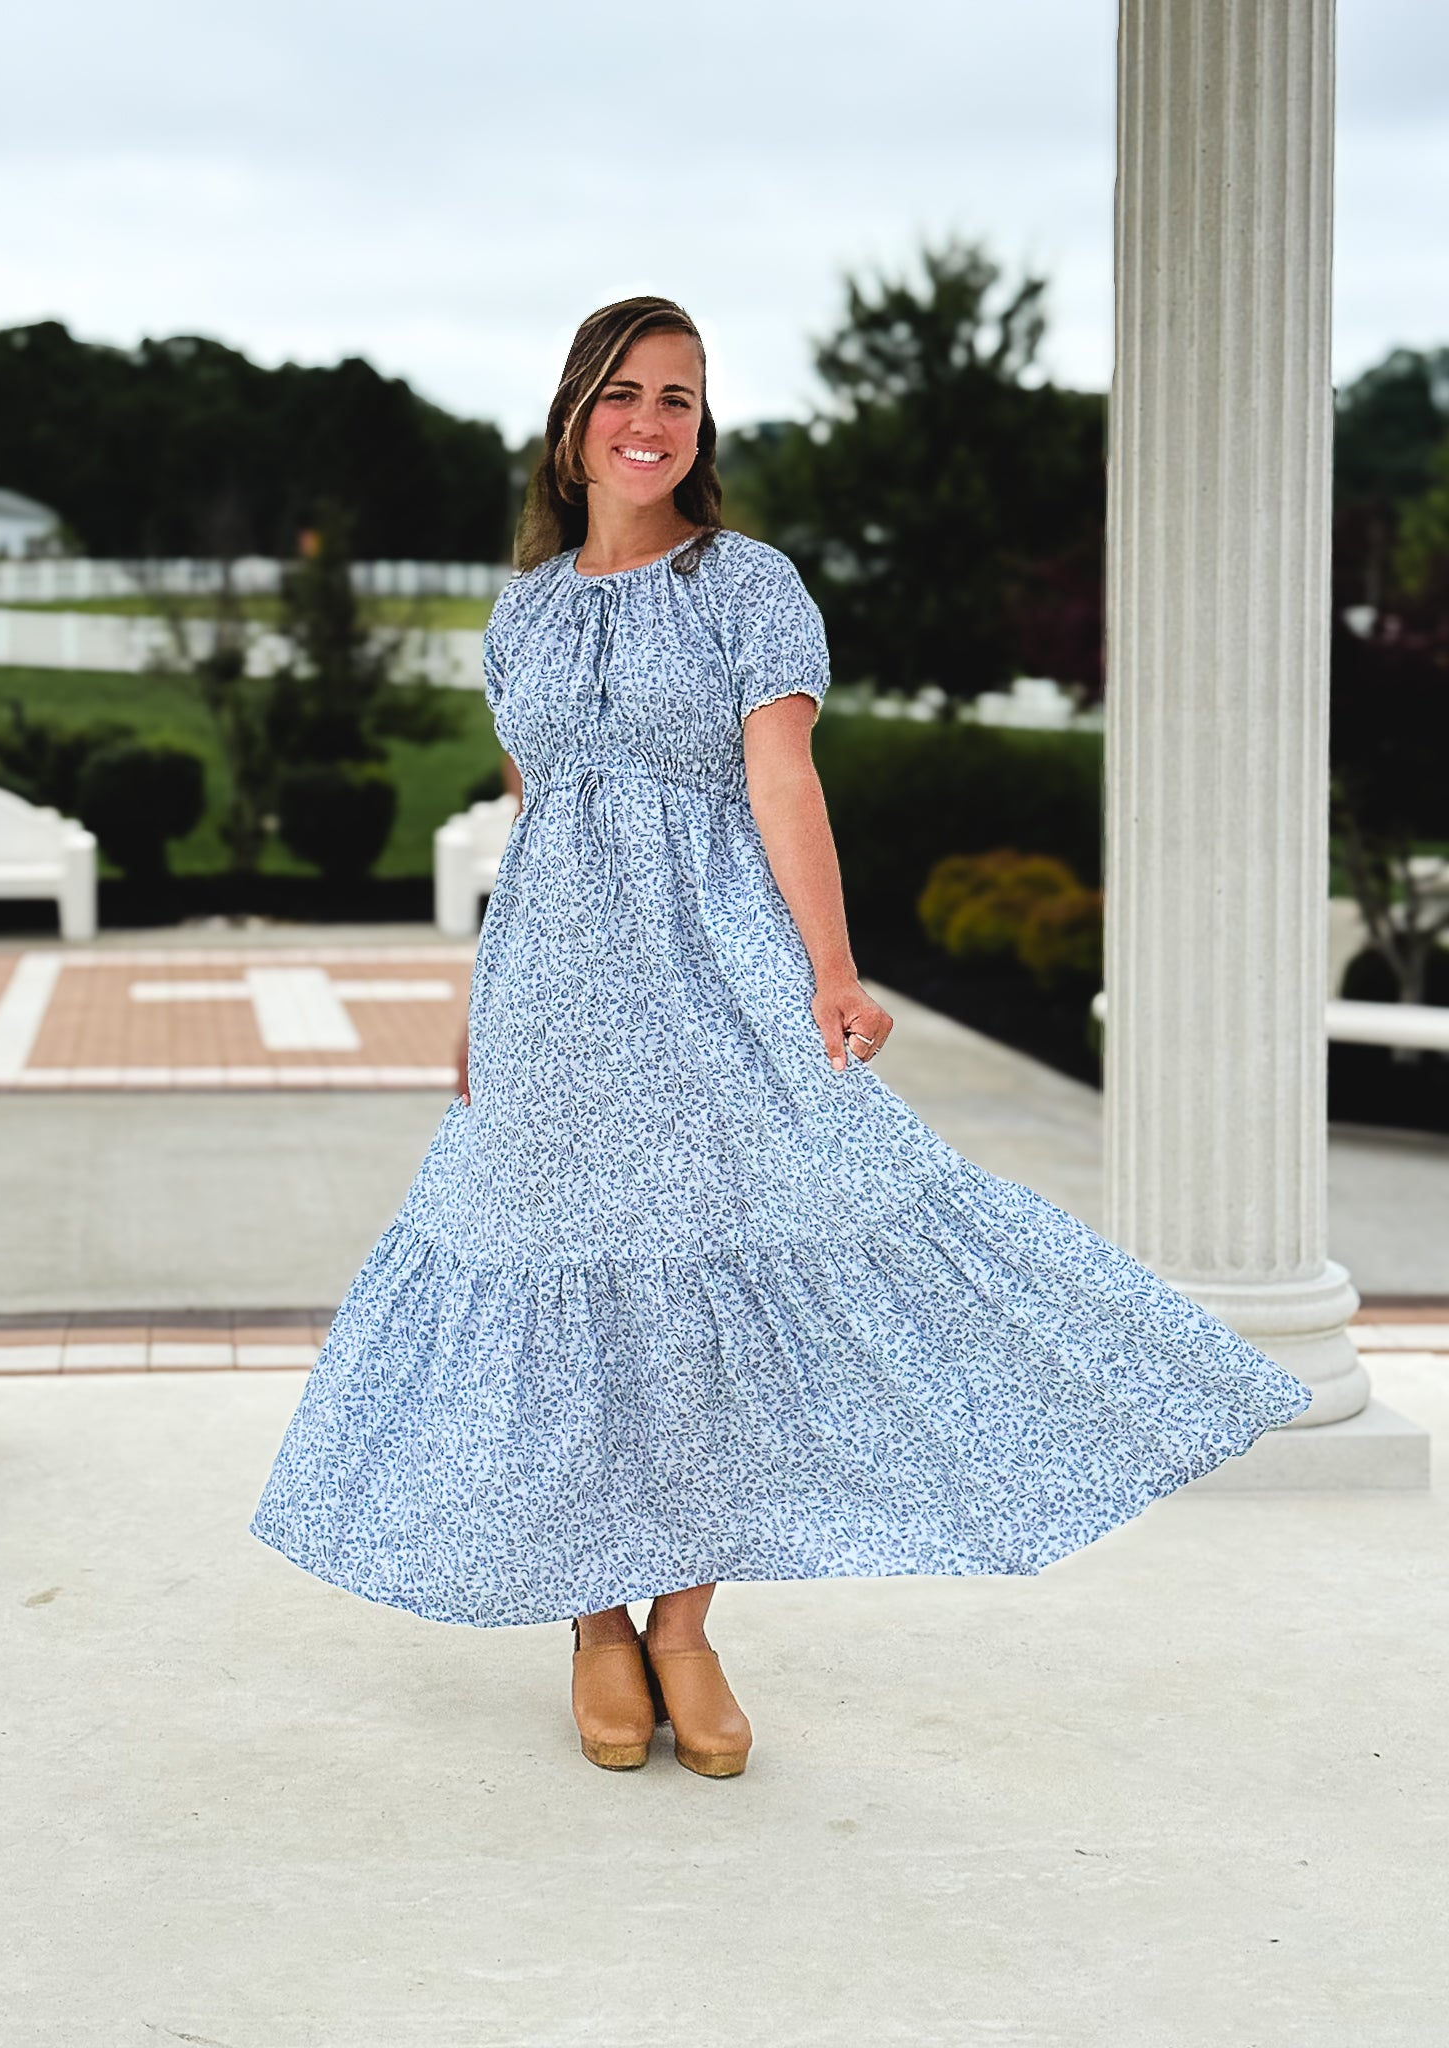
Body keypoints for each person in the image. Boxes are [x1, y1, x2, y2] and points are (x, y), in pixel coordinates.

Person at [251, 295, 1311, 1781]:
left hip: (718, 984)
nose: (651, 420)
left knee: (709, 1290)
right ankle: (592, 1618)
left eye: (681, 397)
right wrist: (476, 1007)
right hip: (555, 997)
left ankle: (684, 1621)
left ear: (704, 429)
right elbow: (538, 823)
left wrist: (832, 967)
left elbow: (782, 785)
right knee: (569, 1290)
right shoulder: (527, 613)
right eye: (625, 391)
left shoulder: (751, 588)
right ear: (572, 422)